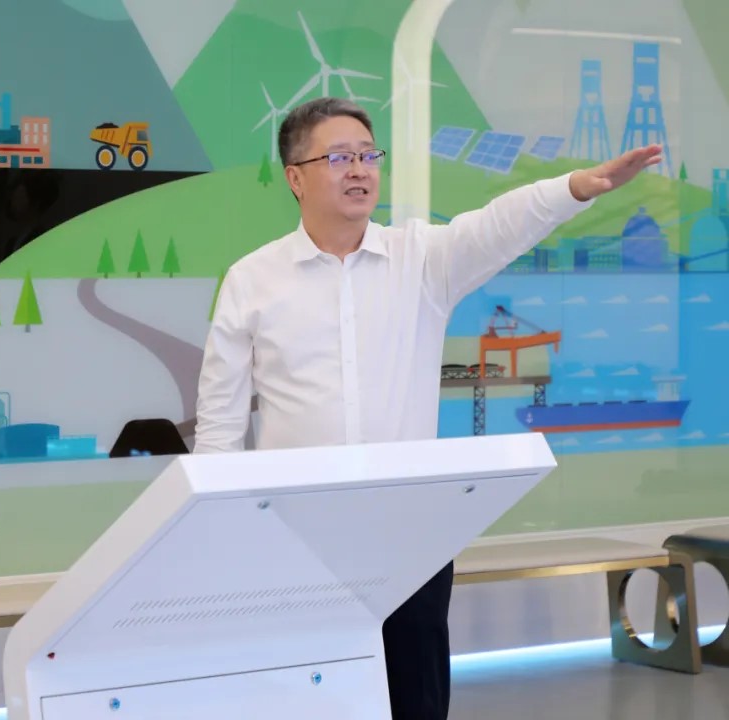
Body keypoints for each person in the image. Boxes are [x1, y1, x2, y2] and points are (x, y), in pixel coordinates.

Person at [193, 97, 661, 719]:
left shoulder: (421, 260)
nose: (359, 170)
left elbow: (498, 224)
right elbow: (220, 425)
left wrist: (574, 187)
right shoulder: (252, 279)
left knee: (416, 699)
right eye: (339, 157)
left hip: (410, 535)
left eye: (368, 156)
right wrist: (218, 539)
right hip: (297, 539)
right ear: (295, 177)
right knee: (307, 701)